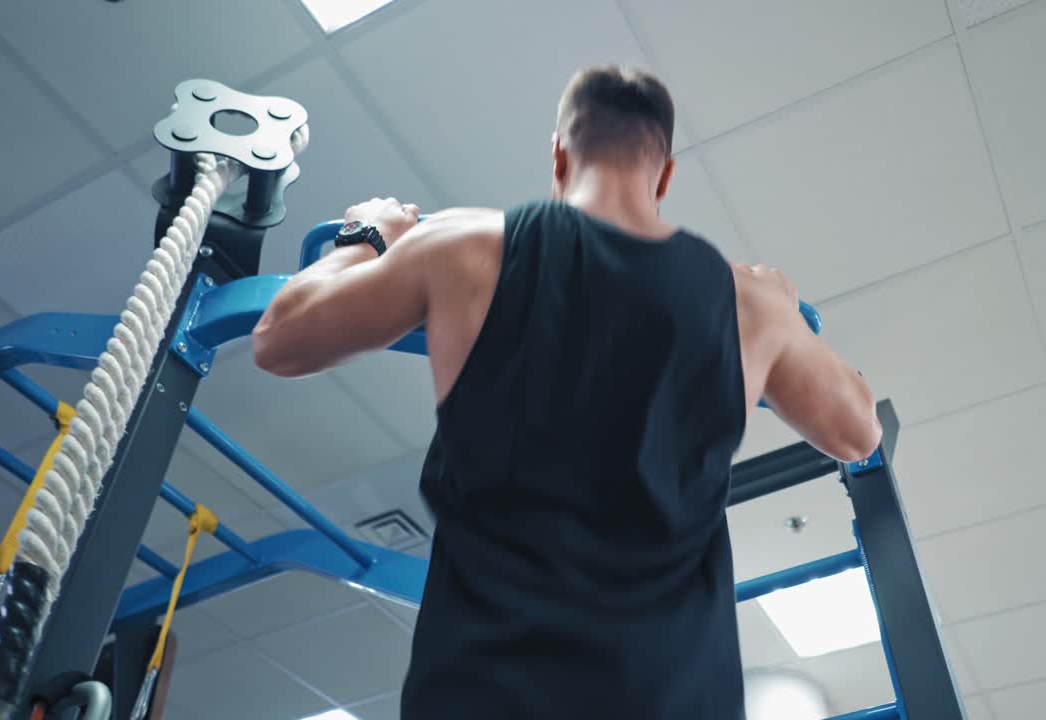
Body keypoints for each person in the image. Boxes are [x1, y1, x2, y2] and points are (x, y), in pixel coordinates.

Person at [252, 65, 881, 720]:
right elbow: (858, 429)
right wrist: (780, 303)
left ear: (559, 155)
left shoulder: (463, 246)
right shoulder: (748, 302)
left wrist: (368, 235)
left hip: (480, 695)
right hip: (668, 701)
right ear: (664, 178)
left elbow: (279, 338)